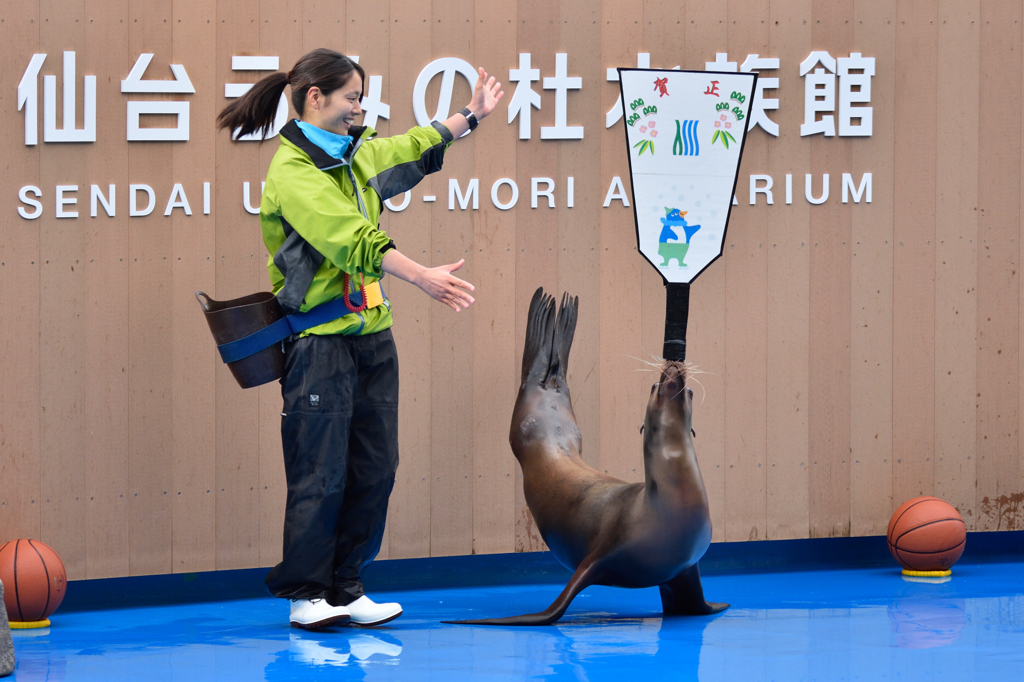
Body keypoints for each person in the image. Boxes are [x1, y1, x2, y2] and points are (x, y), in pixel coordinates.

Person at [217, 48, 503, 630]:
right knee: (319, 472)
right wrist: (422, 275)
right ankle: (307, 595)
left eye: (360, 99)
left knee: (376, 467)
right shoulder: (292, 173)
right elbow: (350, 238)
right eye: (350, 98)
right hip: (318, 342)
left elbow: (409, 147)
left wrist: (468, 116)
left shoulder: (354, 156)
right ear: (314, 98)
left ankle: (346, 588)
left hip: (372, 336)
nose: (358, 109)